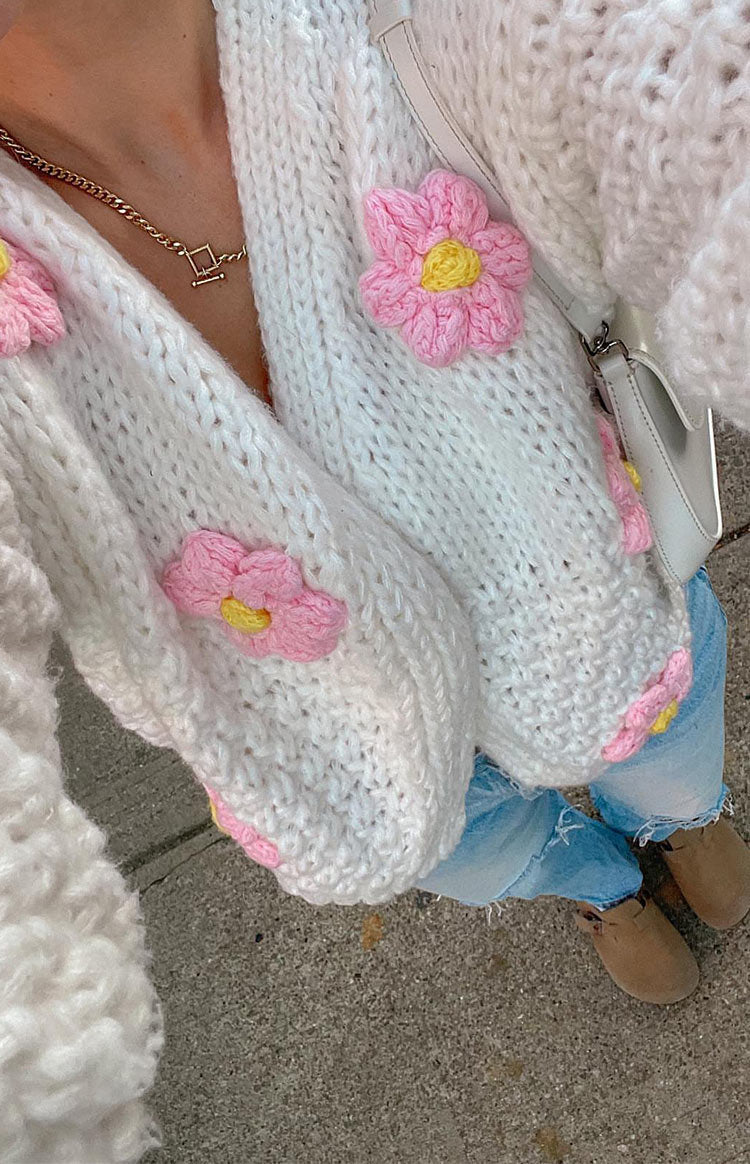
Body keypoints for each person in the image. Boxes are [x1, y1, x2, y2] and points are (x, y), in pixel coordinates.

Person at [0, 0, 749, 1158]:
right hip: (344, 753)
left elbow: (688, 96)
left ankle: (687, 815)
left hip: (603, 618)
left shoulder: (456, 26)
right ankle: (593, 883)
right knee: (487, 848)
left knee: (670, 748)